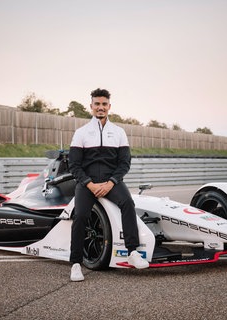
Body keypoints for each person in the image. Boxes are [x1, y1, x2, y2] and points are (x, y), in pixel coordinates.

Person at [68, 88, 149, 282]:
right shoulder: (81, 133)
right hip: (87, 183)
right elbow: (74, 165)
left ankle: (132, 252)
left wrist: (111, 182)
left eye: (104, 104)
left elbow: (124, 164)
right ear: (91, 106)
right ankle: (76, 264)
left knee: (128, 204)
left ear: (109, 107)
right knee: (80, 215)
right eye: (97, 104)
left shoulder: (119, 132)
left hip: (112, 181)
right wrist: (89, 184)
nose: (101, 107)